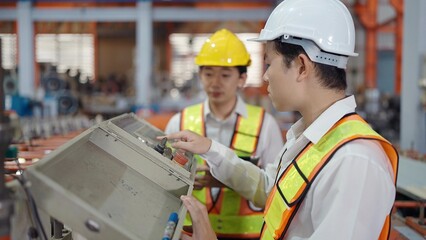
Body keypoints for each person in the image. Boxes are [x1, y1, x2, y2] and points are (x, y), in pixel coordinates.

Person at [166, 0, 399, 239]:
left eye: (269, 63)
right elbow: (272, 189)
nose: (266, 76)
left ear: (301, 66)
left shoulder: (354, 161)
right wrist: (211, 149)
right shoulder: (309, 140)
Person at [165, 29, 284, 239]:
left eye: (225, 75)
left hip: (246, 235)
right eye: (209, 73)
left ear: (242, 78)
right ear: (200, 75)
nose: (215, 82)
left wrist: (226, 178)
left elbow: (275, 188)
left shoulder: (265, 125)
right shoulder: (180, 122)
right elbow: (164, 177)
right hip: (190, 233)